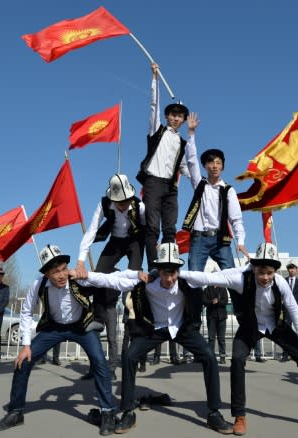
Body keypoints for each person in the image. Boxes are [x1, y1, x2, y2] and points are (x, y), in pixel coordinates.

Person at [74, 242, 233, 435]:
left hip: (182, 329)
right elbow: (111, 280)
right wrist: (83, 275)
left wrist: (254, 269)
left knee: (209, 356)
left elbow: (222, 277)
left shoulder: (189, 279)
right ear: (158, 270)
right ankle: (127, 412)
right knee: (130, 357)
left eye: (173, 273)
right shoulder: (145, 281)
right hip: (155, 329)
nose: (169, 278)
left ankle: (214, 413)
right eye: (165, 273)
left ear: (178, 270)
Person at [179, 243, 298, 434]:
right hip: (250, 326)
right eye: (261, 272)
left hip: (275, 325)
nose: (265, 277)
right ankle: (239, 416)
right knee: (237, 360)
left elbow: (294, 310)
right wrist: (175, 273)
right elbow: (208, 277)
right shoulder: (240, 278)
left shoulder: (280, 282)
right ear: (254, 268)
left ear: (275, 271)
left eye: (269, 272)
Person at [0, 245, 118, 435]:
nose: (61, 275)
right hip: (54, 327)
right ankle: (15, 412)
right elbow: (26, 312)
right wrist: (26, 346)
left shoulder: (77, 278)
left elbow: (106, 282)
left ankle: (107, 412)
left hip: (81, 326)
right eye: (55, 271)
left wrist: (94, 277)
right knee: (23, 362)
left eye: (63, 269)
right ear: (46, 273)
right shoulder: (38, 284)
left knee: (100, 362)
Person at [76, 174, 148, 378]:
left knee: (133, 280)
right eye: (119, 203)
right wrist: (81, 261)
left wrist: (155, 250)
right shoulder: (104, 204)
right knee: (98, 273)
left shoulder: (139, 206)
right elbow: (91, 231)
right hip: (115, 242)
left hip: (134, 242)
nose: (123, 206)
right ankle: (97, 317)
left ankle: (137, 321)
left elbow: (149, 230)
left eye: (125, 202)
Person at [137, 62, 200, 270]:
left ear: (183, 120)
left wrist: (203, 182)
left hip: (171, 188)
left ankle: (169, 267)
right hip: (153, 182)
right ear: (167, 116)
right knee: (152, 227)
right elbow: (153, 107)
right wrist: (155, 79)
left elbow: (186, 168)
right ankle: (154, 268)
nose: (175, 118)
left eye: (179, 116)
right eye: (173, 114)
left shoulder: (182, 142)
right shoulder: (157, 130)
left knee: (170, 229)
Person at [182, 148, 248, 329]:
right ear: (205, 166)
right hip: (199, 239)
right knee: (194, 280)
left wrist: (240, 242)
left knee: (234, 278)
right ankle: (193, 323)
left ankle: (243, 318)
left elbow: (236, 219)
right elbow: (192, 160)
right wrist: (191, 135)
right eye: (211, 163)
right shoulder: (199, 184)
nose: (215, 166)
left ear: (223, 167)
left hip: (221, 241)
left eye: (218, 163)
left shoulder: (228, 190)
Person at [281, 262, 298, 361]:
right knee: (286, 330)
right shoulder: (284, 281)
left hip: (297, 309)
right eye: (289, 269)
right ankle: (285, 353)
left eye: (293, 268)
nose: (291, 270)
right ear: (288, 270)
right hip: (287, 309)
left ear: (296, 270)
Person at [121, 289, 146, 373]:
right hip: (130, 318)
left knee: (140, 341)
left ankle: (142, 364)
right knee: (127, 340)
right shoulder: (128, 289)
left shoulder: (141, 288)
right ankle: (126, 361)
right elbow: (126, 303)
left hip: (139, 319)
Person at [203, 284, 229, 364]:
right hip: (211, 317)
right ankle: (211, 357)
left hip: (221, 317)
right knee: (211, 338)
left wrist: (218, 301)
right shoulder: (207, 289)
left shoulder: (223, 288)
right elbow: (204, 301)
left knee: (221, 338)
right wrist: (211, 302)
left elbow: (225, 301)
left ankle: (222, 356)